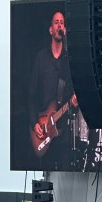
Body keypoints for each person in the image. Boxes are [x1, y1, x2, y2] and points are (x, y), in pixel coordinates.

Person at [28, 9, 79, 169]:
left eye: (62, 23)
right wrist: (34, 123)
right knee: (47, 170)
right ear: (51, 29)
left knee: (64, 166)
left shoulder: (68, 60)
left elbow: (72, 92)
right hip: (43, 128)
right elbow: (31, 95)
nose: (59, 25)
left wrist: (74, 102)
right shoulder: (41, 58)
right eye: (56, 22)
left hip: (62, 129)